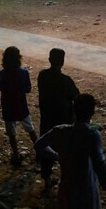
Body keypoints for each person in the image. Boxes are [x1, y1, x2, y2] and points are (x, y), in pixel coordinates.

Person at [37, 48, 80, 189]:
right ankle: (65, 178)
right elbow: (76, 97)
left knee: (47, 148)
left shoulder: (42, 76)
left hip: (47, 118)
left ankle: (47, 179)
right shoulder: (66, 81)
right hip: (63, 119)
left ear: (49, 60)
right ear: (62, 61)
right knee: (64, 149)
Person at [0, 46, 38, 166]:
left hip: (8, 106)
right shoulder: (24, 73)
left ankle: (16, 155)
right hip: (21, 105)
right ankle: (39, 150)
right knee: (30, 128)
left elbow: (2, 89)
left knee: (11, 132)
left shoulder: (1, 74)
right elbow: (28, 89)